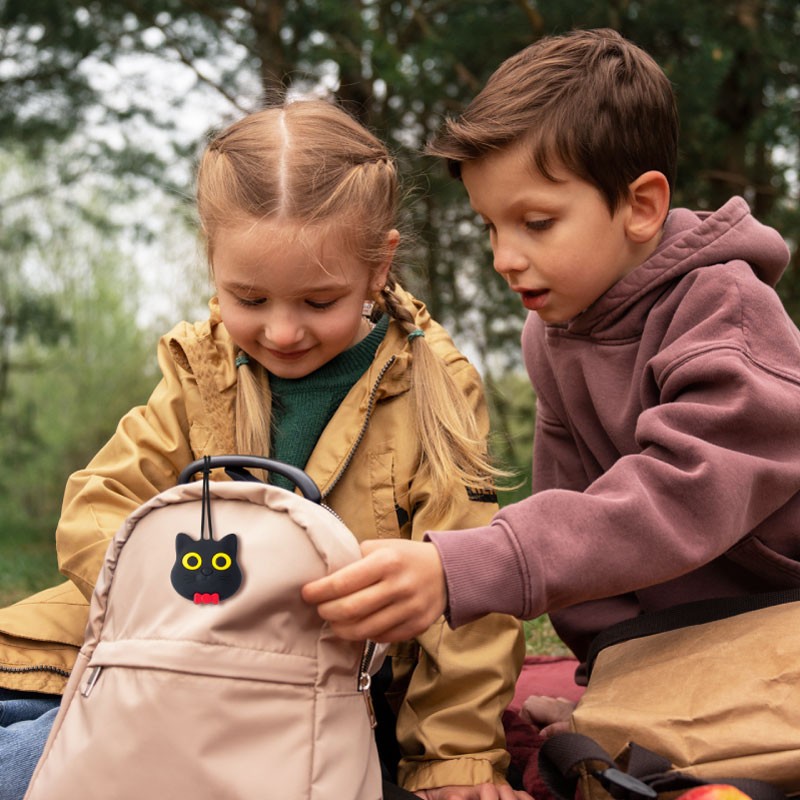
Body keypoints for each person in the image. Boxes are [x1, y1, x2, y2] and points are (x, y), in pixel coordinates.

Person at [0, 99, 528, 800]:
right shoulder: (201, 369)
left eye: (317, 302)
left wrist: (455, 760)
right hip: (152, 665)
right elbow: (97, 511)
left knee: (36, 764)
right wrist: (201, 599)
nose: (282, 332)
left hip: (308, 696)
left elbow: (470, 595)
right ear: (212, 264)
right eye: (248, 298)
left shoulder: (436, 388)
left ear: (379, 267)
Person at [302, 27, 800, 734]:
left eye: (537, 223)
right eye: (491, 227)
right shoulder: (554, 334)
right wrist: (608, 683)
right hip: (681, 657)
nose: (505, 258)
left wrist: (476, 564)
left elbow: (678, 496)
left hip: (777, 627)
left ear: (641, 207)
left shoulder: (727, 312)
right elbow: (572, 504)